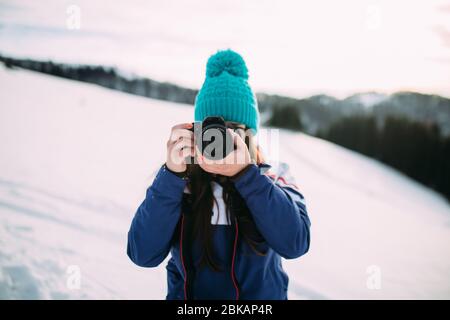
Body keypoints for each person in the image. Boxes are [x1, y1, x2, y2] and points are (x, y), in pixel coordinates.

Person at [127, 49, 311, 300]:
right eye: (213, 129)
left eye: (233, 129)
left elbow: (295, 242)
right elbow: (142, 253)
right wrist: (171, 175)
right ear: (196, 130)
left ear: (250, 134)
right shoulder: (181, 179)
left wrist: (247, 175)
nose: (221, 139)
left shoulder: (274, 175)